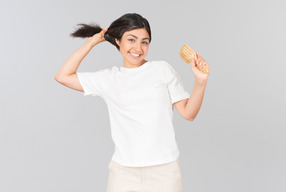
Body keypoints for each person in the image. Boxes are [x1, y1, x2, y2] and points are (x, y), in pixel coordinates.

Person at [54, 13, 209, 192]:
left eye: (145, 41)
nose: (138, 47)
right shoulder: (109, 79)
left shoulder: (162, 70)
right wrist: (92, 42)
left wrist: (201, 81)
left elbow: (189, 114)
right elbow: (63, 76)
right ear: (118, 41)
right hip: (123, 173)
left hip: (164, 171)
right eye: (131, 40)